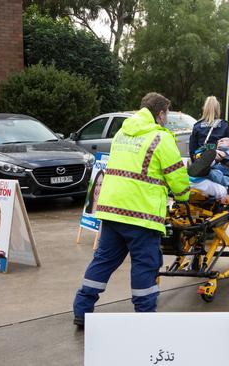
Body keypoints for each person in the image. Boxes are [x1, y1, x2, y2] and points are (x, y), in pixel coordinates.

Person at [72, 92, 191, 328]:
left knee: (103, 261)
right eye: (166, 113)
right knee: (145, 265)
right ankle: (145, 317)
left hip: (111, 210)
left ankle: (82, 310)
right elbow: (177, 176)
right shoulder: (160, 138)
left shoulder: (122, 133)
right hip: (141, 215)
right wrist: (183, 195)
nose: (166, 118)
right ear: (160, 113)